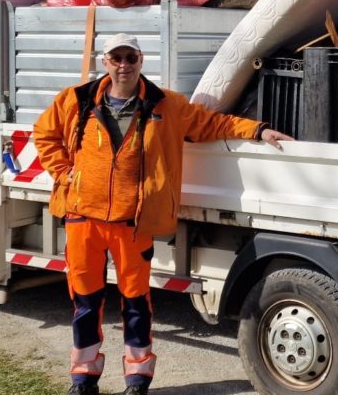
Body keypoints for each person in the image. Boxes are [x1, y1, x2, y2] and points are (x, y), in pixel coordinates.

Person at [33, 33, 292, 395]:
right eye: (116, 58)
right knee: (86, 303)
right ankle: (83, 378)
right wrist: (63, 173)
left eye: (131, 57)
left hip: (133, 223)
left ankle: (138, 379)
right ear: (105, 62)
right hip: (83, 219)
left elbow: (210, 124)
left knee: (136, 303)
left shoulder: (165, 104)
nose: (124, 65)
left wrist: (258, 129)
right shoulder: (76, 100)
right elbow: (44, 134)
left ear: (141, 60)